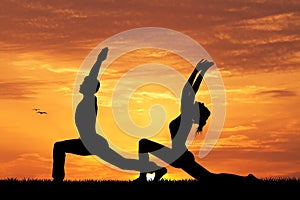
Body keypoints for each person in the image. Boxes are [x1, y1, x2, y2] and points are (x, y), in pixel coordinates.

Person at [135, 59, 259, 183]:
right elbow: (189, 91)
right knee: (211, 178)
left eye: (202, 106)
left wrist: (198, 71)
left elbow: (188, 91)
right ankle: (156, 172)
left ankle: (247, 179)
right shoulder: (186, 116)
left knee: (211, 179)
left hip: (181, 157)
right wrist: (200, 72)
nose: (202, 103)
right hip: (179, 155)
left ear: (196, 112)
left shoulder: (187, 118)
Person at [52, 47, 160, 182]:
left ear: (89, 87)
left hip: (91, 142)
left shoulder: (89, 99)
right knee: (121, 162)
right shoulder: (87, 99)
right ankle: (156, 169)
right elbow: (91, 79)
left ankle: (57, 179)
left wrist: (98, 61)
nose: (81, 84)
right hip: (90, 141)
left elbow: (92, 77)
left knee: (59, 146)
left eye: (84, 83)